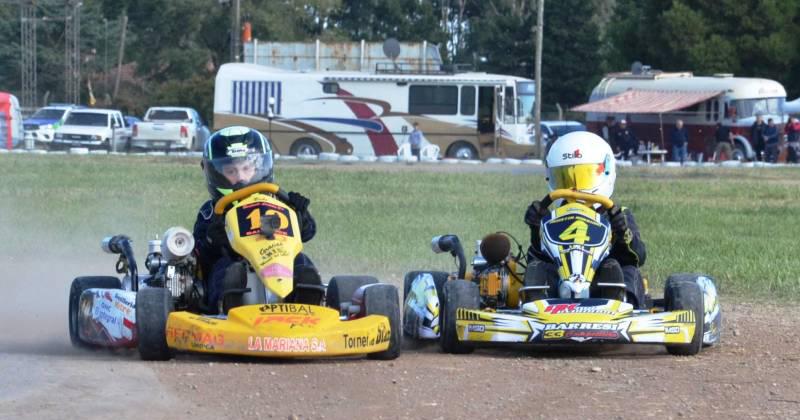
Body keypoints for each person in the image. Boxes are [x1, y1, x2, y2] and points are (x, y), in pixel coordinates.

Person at [193, 126, 319, 313]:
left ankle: (309, 306)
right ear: (216, 174)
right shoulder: (211, 211)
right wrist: (213, 240)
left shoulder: (278, 201)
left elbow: (306, 233)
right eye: (231, 171)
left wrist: (301, 213)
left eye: (246, 168)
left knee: (301, 262)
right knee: (227, 269)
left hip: (277, 258)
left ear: (259, 167)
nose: (241, 178)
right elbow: (200, 254)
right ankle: (226, 308)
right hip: (232, 261)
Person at [523, 131, 648, 308]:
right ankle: (534, 310)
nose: (575, 188)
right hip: (559, 288)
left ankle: (627, 311)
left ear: (606, 172)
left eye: (584, 177)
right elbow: (537, 257)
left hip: (603, 282)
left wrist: (622, 232)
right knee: (537, 268)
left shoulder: (619, 215)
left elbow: (637, 257)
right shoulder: (552, 218)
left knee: (626, 270)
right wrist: (536, 228)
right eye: (565, 178)